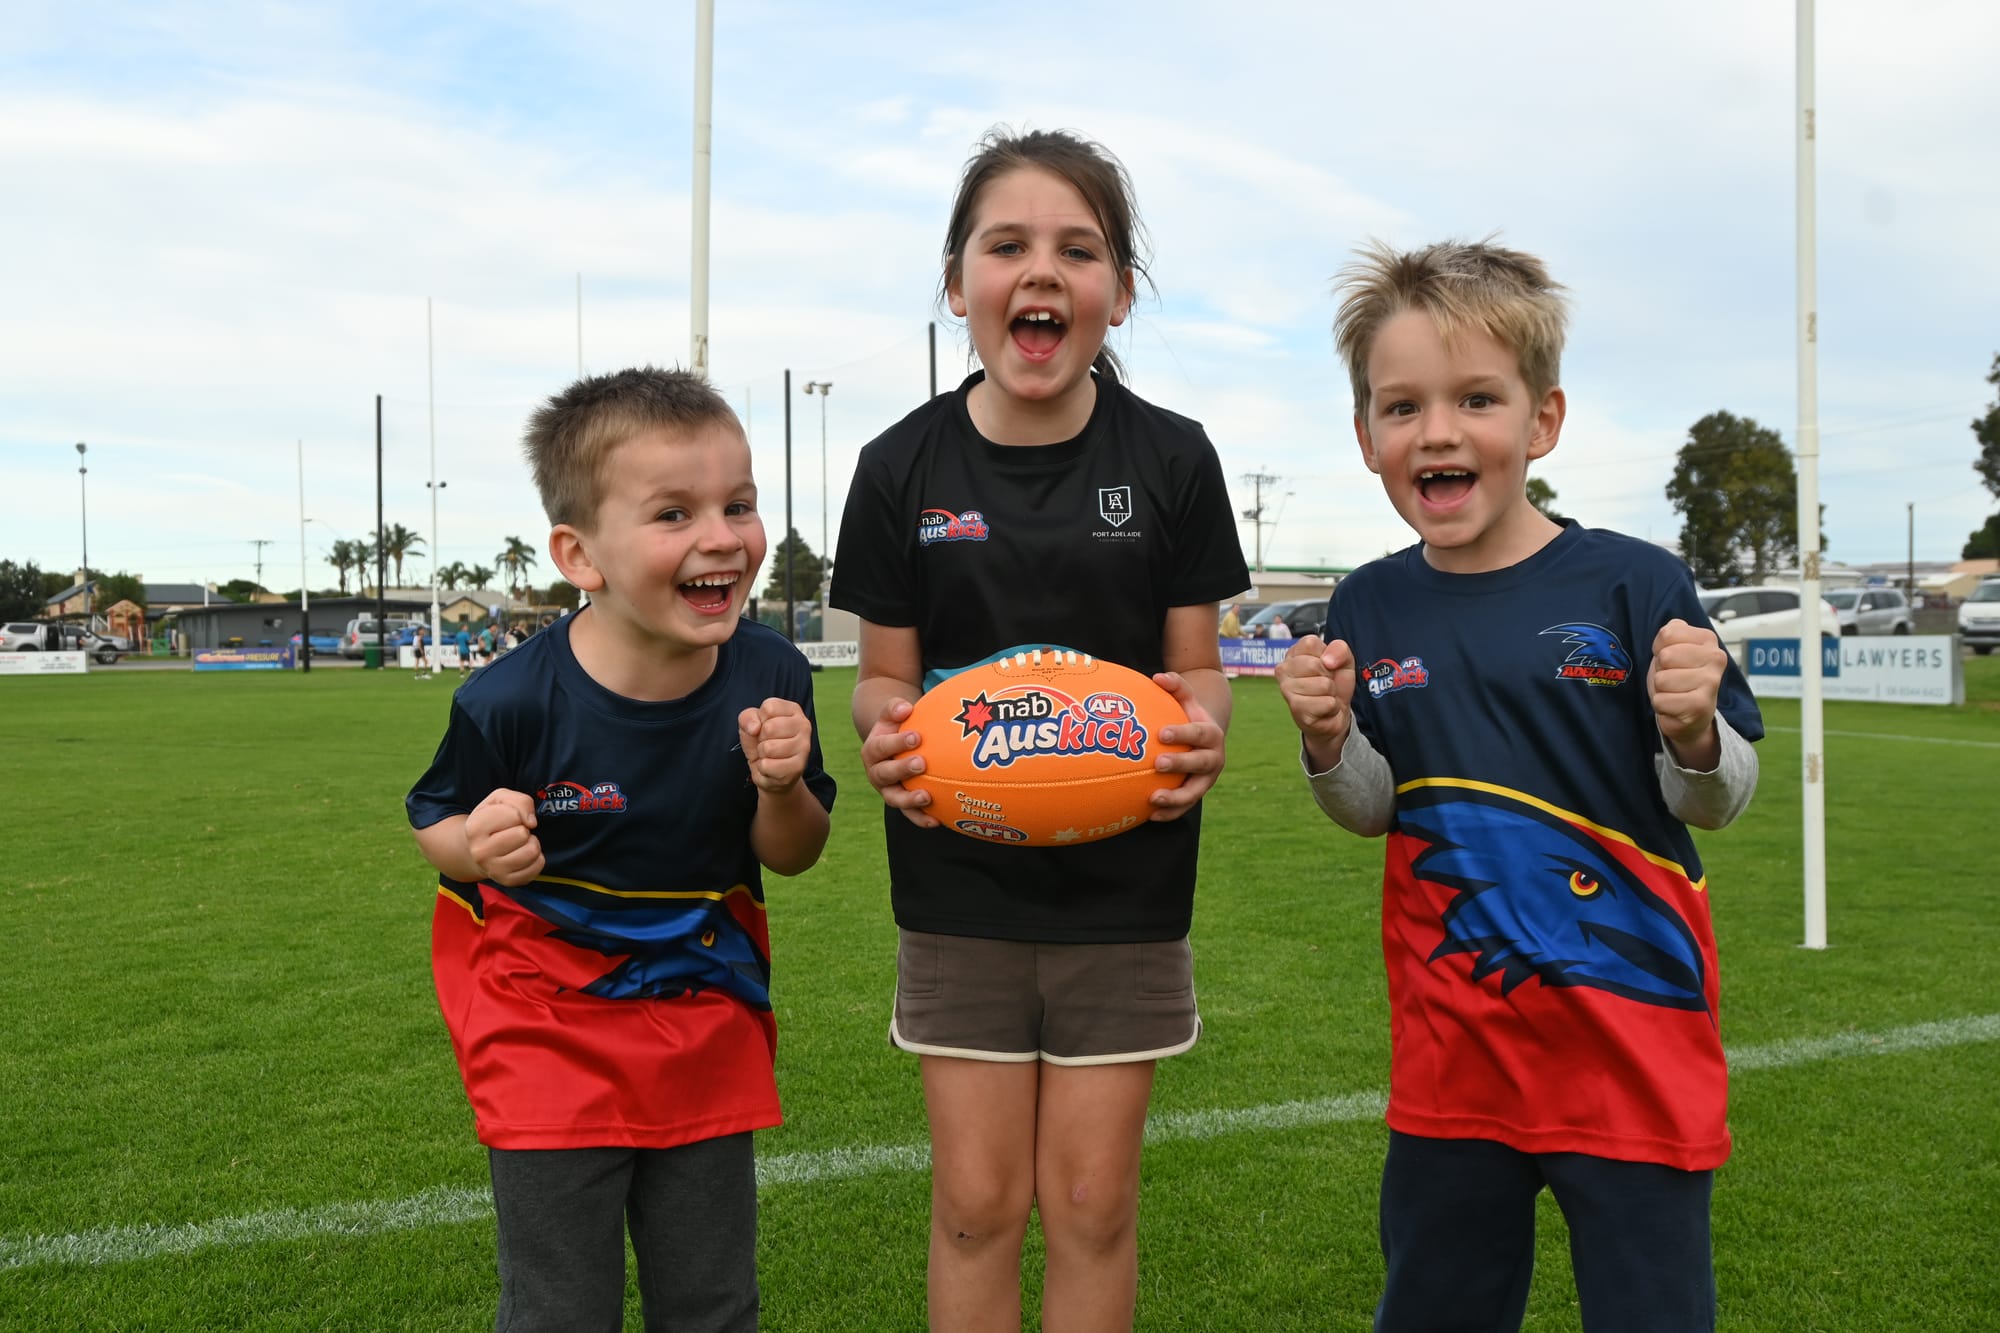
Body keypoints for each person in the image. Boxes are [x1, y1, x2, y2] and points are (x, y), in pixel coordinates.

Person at [1277, 239, 1763, 1333]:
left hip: (1631, 1051)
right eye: (1400, 407)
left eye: (1474, 398)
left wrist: (1689, 726)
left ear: (1540, 421)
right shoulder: (1367, 604)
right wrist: (1324, 742)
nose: (1436, 430)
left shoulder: (1633, 581)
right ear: (1366, 437)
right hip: (1455, 1063)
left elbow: (1718, 797)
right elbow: (1371, 809)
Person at [831, 127, 1249, 1333]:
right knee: (971, 1202)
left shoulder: (1172, 459)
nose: (1040, 271)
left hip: (1124, 889)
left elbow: (1196, 673)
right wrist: (887, 740)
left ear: (1117, 293)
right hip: (958, 886)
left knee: (1090, 1200)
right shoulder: (896, 466)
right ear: (957, 282)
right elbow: (879, 685)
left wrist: (1199, 734)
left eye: (1077, 249)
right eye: (1004, 244)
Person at [406, 366, 836, 1333]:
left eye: (740, 503)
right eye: (674, 513)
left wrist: (782, 785)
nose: (721, 536)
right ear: (581, 554)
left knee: (713, 1304)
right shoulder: (509, 699)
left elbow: (795, 851)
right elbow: (433, 818)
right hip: (542, 1024)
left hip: (705, 1019)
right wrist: (474, 846)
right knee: (561, 1308)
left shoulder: (771, 672)